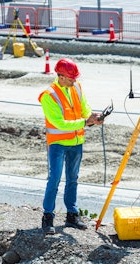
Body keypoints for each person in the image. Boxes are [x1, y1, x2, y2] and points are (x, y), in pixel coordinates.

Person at [38, 58, 104, 235]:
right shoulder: (49, 95)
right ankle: (48, 217)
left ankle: (72, 215)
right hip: (58, 144)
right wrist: (84, 122)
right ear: (60, 77)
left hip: (76, 143)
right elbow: (59, 123)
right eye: (70, 78)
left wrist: (92, 117)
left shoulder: (76, 87)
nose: (74, 80)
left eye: (75, 77)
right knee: (54, 180)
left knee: (73, 179)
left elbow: (85, 108)